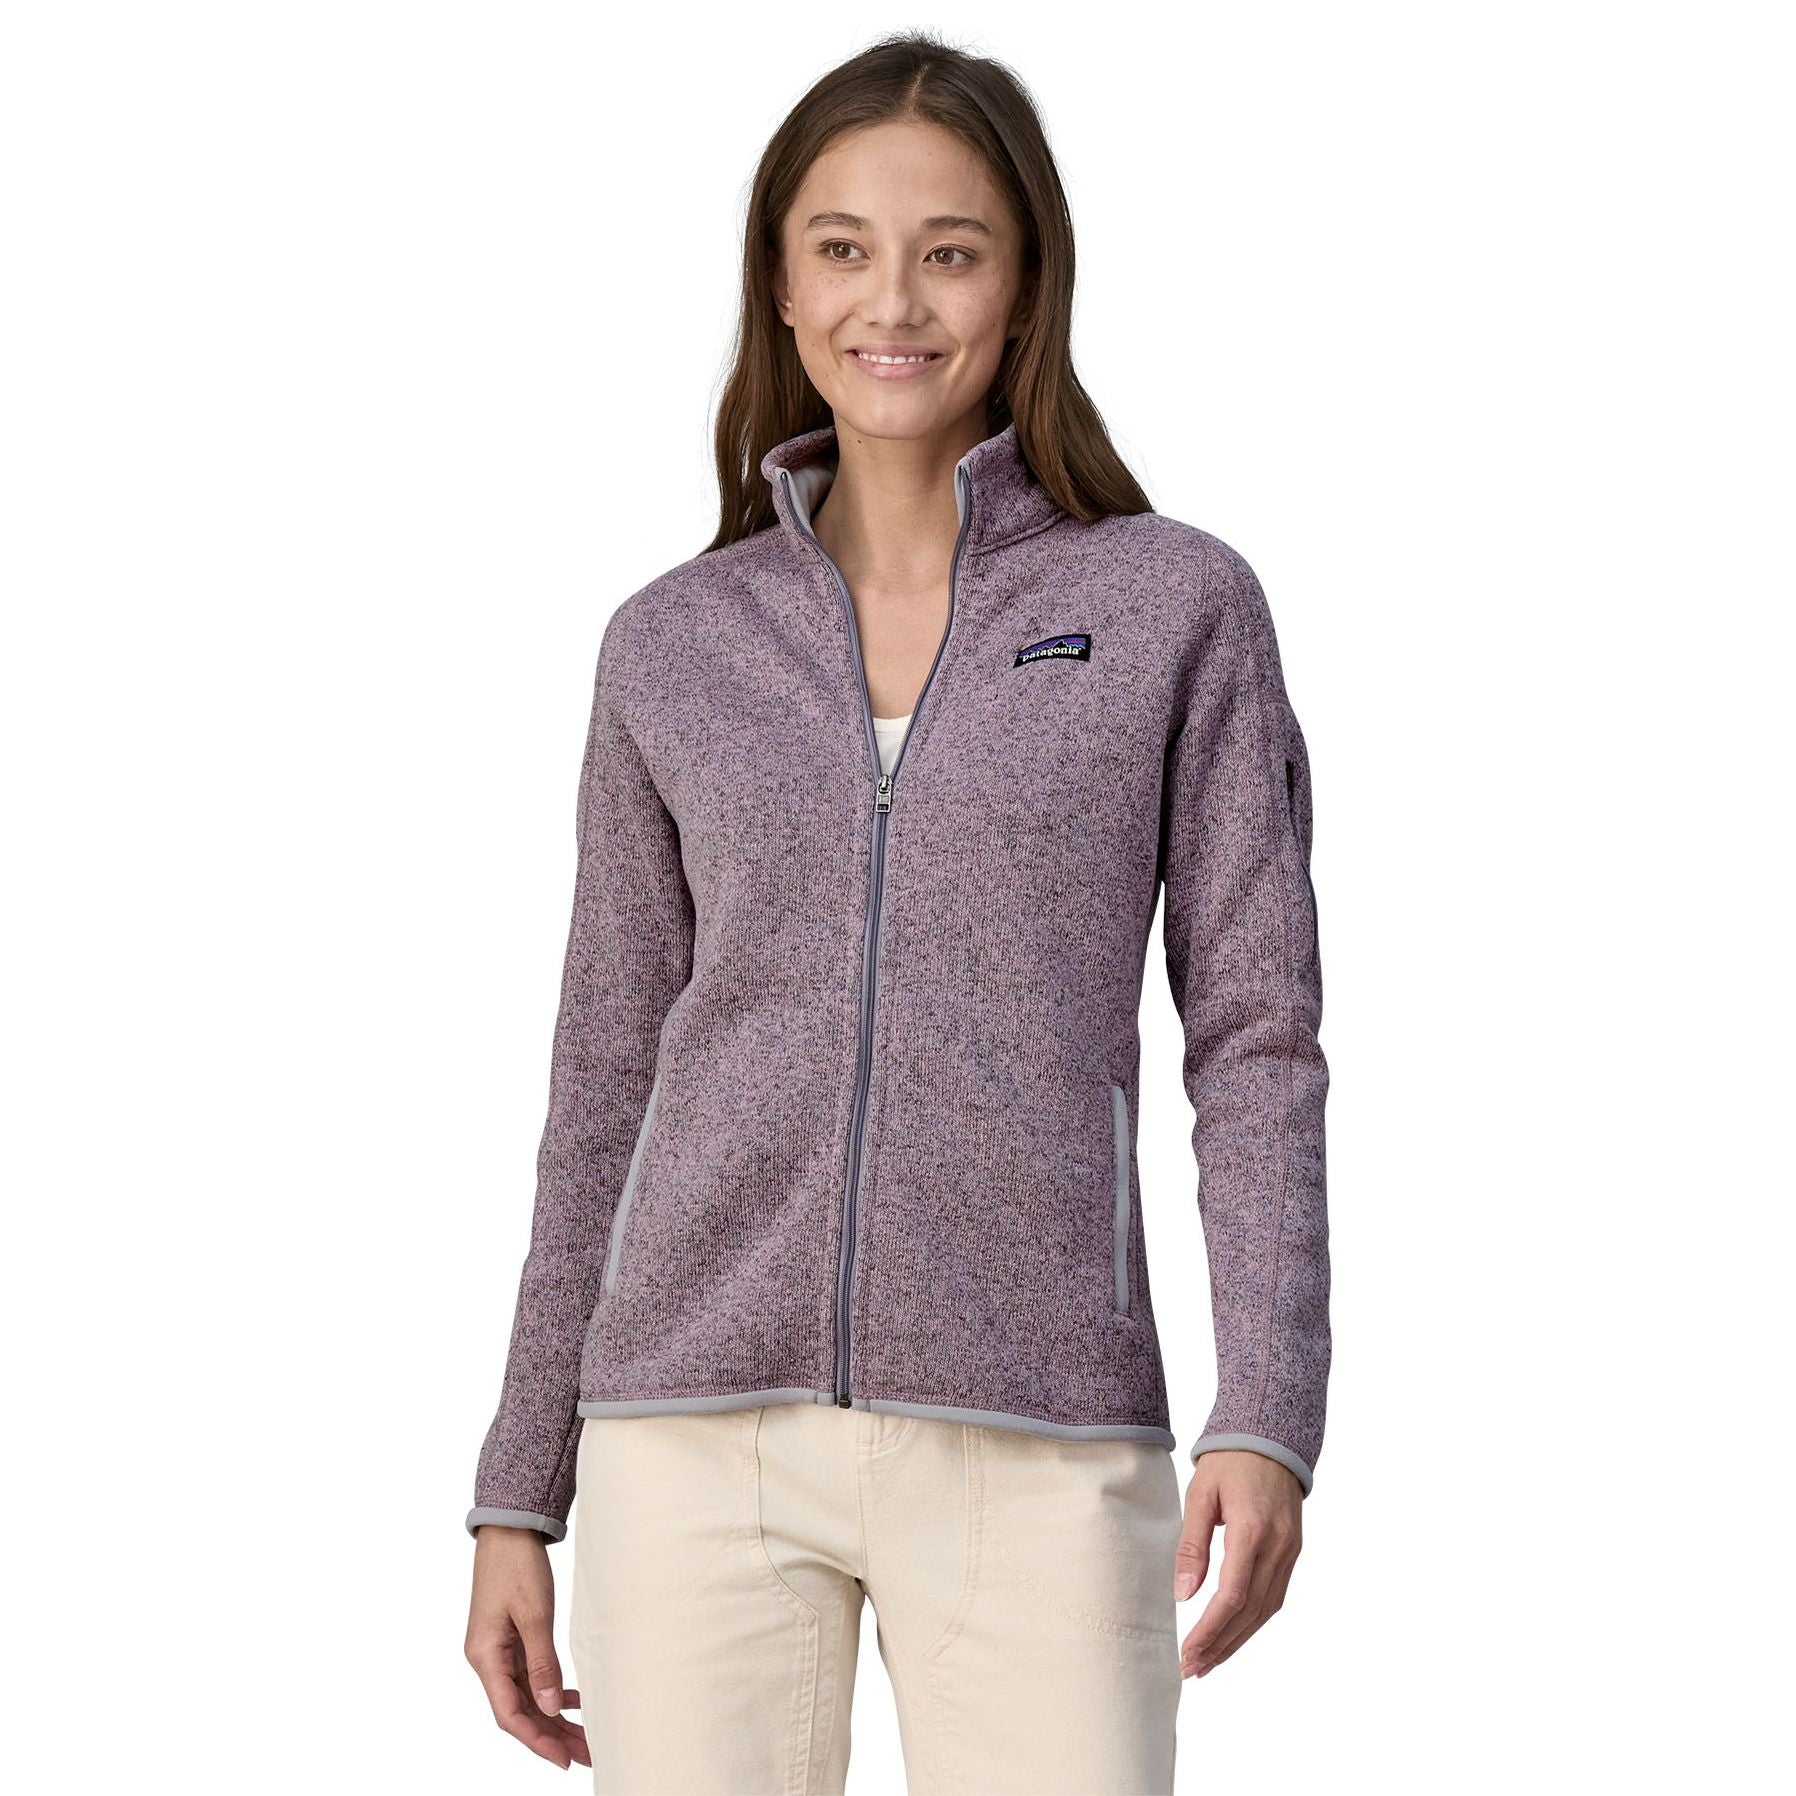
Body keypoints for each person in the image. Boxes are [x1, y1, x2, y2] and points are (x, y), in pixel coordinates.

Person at [463, 29, 1330, 1795]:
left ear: (1026, 286)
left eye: (951, 251)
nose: (896, 302)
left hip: (1039, 1428)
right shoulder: (673, 644)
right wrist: (515, 1487)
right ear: (782, 284)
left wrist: (1270, 1406)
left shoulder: (1173, 607)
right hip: (690, 1439)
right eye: (844, 247)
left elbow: (1256, 1039)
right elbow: (603, 1078)